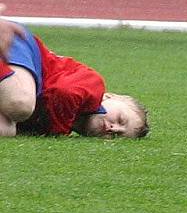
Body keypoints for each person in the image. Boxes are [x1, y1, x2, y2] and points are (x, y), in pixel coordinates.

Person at [0, 16, 149, 138]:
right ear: (111, 97)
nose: (113, 128)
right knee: (20, 104)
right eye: (120, 120)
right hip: (17, 44)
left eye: (116, 136)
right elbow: (63, 92)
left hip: (10, 84)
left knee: (7, 129)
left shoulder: (54, 124)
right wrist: (59, 133)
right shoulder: (93, 85)